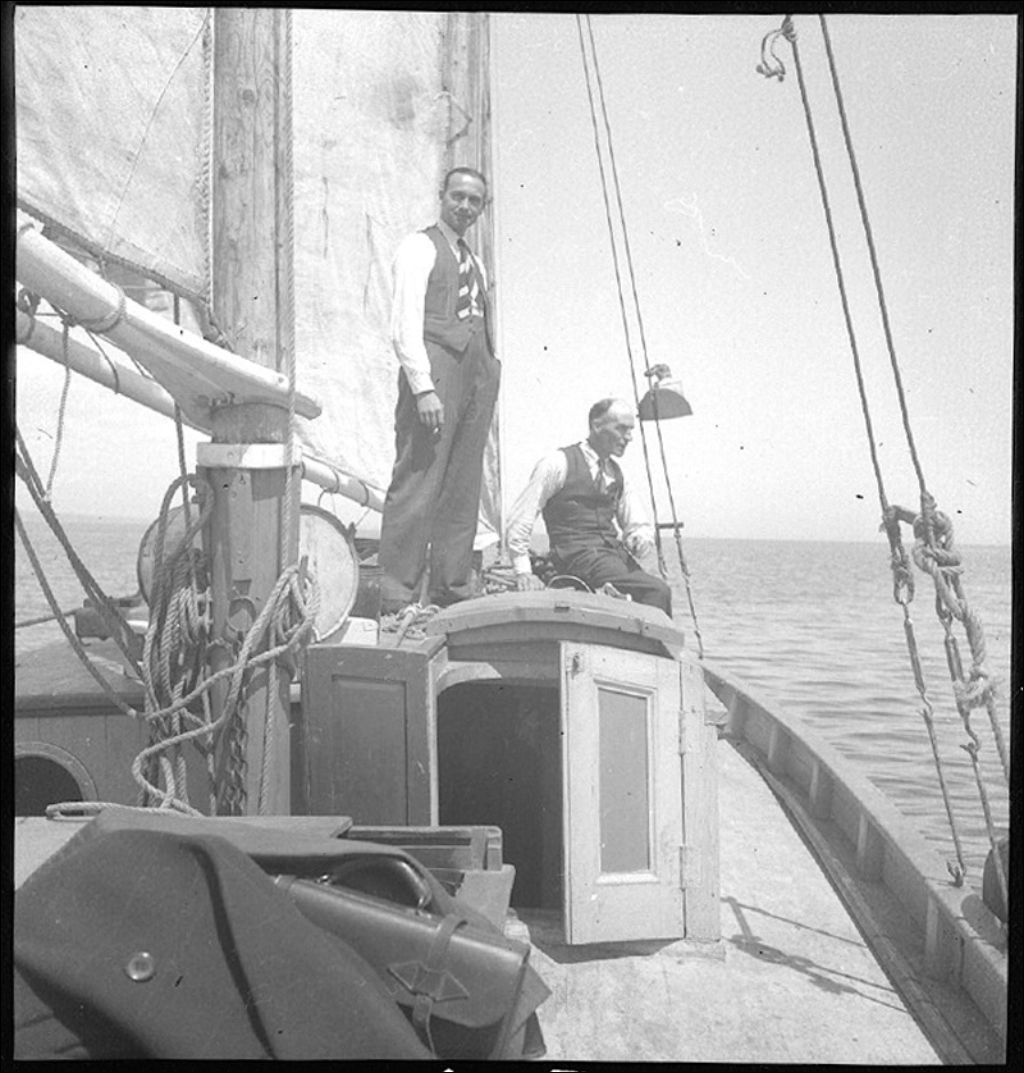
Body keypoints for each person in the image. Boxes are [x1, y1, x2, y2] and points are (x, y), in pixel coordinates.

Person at [378, 167, 500, 613]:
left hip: (477, 376)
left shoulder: (475, 262)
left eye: (474, 201)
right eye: (457, 196)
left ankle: (453, 587)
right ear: (442, 196)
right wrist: (423, 388)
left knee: (463, 487)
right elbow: (404, 325)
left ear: (482, 208)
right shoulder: (419, 247)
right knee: (417, 480)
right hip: (436, 372)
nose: (465, 206)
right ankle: (396, 593)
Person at [505, 398, 673, 617]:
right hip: (575, 558)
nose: (629, 437)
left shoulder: (617, 474)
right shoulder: (557, 463)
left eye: (631, 430)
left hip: (611, 558)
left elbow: (637, 523)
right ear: (597, 426)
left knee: (653, 590)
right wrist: (523, 572)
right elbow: (520, 518)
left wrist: (639, 539)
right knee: (655, 591)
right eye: (621, 429)